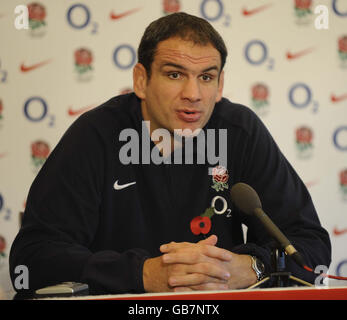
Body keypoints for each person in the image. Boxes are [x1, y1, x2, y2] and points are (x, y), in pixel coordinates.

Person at [10, 12, 331, 295]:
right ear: (141, 79)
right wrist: (142, 273)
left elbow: (310, 245)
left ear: (220, 85)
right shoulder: (96, 134)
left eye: (206, 77)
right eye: (174, 74)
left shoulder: (240, 132)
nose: (193, 94)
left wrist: (253, 267)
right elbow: (31, 260)